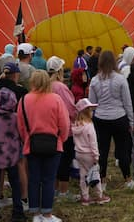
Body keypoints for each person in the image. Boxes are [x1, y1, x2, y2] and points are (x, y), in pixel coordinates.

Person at [17, 70, 70, 222]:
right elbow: (64, 124)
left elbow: (20, 125)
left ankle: (35, 213)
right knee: (49, 179)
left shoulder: (24, 100)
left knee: (33, 178)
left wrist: (26, 139)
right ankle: (47, 213)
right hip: (53, 144)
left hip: (31, 144)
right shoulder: (56, 99)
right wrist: (61, 139)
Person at [88, 50, 134, 190]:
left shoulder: (95, 80)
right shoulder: (120, 79)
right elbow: (127, 102)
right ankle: (128, 179)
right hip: (119, 117)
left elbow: (92, 104)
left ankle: (102, 180)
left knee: (102, 151)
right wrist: (131, 121)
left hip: (101, 119)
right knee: (123, 150)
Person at [0, 89, 26, 222]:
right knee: (16, 185)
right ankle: (18, 211)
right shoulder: (16, 118)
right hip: (13, 156)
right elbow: (21, 134)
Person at [46, 56, 78, 201]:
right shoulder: (60, 87)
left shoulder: (46, 85)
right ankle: (64, 192)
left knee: (55, 161)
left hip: (50, 128)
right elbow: (70, 109)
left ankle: (55, 189)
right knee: (65, 159)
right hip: (64, 129)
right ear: (59, 71)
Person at [72, 98, 110, 206]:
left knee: (83, 175)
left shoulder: (76, 125)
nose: (92, 111)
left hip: (79, 153)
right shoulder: (89, 126)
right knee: (95, 174)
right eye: (91, 110)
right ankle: (99, 196)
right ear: (86, 111)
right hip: (89, 154)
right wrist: (96, 156)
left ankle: (85, 197)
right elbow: (93, 143)